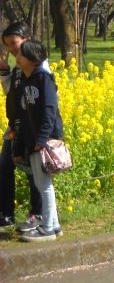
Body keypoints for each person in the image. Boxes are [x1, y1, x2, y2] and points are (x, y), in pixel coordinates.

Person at [10, 39, 63, 241]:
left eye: (22, 54)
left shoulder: (44, 79)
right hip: (33, 140)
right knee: (41, 183)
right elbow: (24, 115)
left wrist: (42, 138)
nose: (18, 56)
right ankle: (54, 225)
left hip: (45, 140)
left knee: (44, 183)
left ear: (32, 59)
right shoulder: (26, 80)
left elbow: (50, 111)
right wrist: (22, 143)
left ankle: (48, 228)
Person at [0, 22, 44, 232]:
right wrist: (4, 70)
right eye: (8, 46)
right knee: (5, 168)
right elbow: (12, 92)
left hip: (29, 129)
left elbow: (41, 101)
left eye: (14, 44)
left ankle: (38, 214)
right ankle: (5, 213)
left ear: (27, 39)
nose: (11, 49)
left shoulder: (37, 67)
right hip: (14, 127)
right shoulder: (19, 67)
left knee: (32, 172)